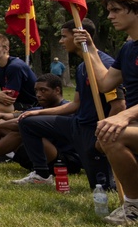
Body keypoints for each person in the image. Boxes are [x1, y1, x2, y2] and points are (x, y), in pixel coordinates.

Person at [13, 19, 124, 186]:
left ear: (79, 37)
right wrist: (37, 112)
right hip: (77, 124)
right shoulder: (81, 67)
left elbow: (119, 106)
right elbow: (75, 104)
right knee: (27, 122)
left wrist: (103, 136)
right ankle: (42, 175)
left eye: (64, 36)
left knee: (103, 187)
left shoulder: (104, 65)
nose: (61, 41)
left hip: (93, 129)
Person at [74, 0, 138, 225]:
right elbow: (104, 83)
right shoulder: (128, 48)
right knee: (106, 137)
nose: (110, 16)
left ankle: (133, 207)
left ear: (135, 9)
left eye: (116, 10)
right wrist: (90, 49)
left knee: (111, 136)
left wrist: (124, 116)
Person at [0, 33, 37, 113]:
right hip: (17, 103)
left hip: (33, 105)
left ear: (6, 49)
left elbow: (8, 99)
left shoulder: (15, 66)